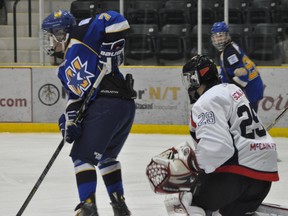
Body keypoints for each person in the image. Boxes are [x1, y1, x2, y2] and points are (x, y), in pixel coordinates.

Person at [146, 55, 279, 216]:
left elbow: (218, 148)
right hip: (264, 174)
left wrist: (194, 168)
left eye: (189, 79)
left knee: (184, 203)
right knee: (225, 212)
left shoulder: (206, 101)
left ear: (197, 78)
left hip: (237, 172)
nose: (188, 85)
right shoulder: (233, 90)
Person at [41, 9, 136, 216]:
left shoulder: (80, 33)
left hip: (108, 102)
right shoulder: (63, 69)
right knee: (106, 158)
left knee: (82, 158)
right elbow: (75, 99)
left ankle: (88, 207)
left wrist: (112, 49)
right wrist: (69, 122)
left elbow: (114, 19)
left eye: (50, 35)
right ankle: (119, 206)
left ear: (61, 33)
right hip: (119, 107)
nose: (48, 41)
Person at [211, 21, 264, 112]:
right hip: (254, 86)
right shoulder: (231, 46)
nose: (218, 39)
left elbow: (243, 75)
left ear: (227, 35)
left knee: (246, 121)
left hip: (249, 91)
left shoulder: (229, 52)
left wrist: (239, 72)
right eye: (216, 36)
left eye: (221, 36)